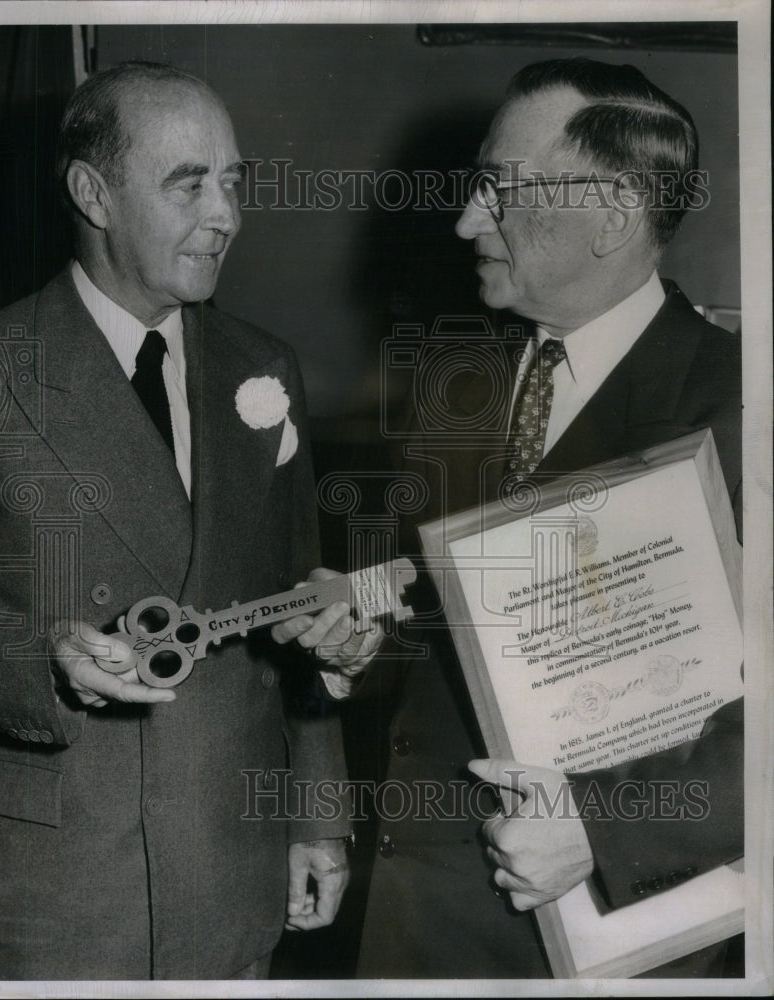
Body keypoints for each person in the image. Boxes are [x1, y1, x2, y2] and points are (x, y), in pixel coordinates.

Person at [0, 60, 379, 981]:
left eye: (232, 182)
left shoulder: (264, 367)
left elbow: (300, 607)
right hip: (54, 888)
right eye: (187, 183)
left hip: (232, 871)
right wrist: (43, 659)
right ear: (93, 193)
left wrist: (316, 816)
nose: (226, 215)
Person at [349, 58, 743, 977]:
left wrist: (605, 830)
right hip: (412, 925)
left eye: (496, 189)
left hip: (608, 941)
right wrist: (359, 635)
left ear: (611, 214)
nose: (463, 221)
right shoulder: (461, 382)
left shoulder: (738, 403)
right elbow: (435, 630)